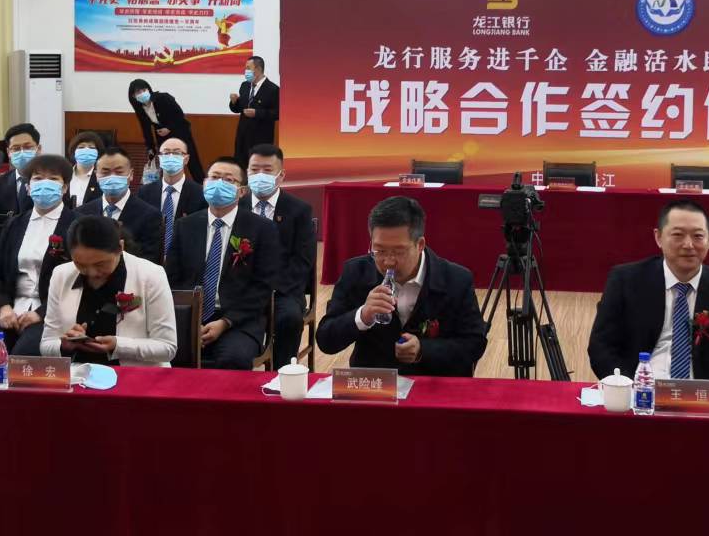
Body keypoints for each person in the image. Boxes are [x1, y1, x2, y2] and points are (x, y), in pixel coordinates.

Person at [588, 199, 709, 386]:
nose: (688, 244)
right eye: (677, 235)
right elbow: (601, 347)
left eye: (698, 236)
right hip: (639, 391)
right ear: (658, 237)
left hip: (701, 395)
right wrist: (628, 388)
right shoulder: (625, 281)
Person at [317, 195, 487, 377]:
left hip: (433, 381)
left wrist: (423, 350)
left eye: (398, 252)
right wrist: (362, 315)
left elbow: (475, 344)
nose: (388, 261)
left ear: (420, 244)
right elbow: (326, 340)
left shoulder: (456, 279)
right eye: (379, 251)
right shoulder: (356, 272)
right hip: (375, 383)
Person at [165, 157, 281, 370]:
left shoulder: (262, 229)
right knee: (167, 355)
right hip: (188, 316)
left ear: (242, 191)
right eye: (214, 177)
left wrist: (225, 322)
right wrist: (187, 318)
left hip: (239, 320)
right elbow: (171, 278)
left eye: (228, 180)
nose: (219, 184)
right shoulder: (185, 225)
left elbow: (263, 287)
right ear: (204, 184)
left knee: (233, 360)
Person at [38, 215, 177, 367]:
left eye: (100, 264)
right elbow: (46, 344)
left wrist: (119, 346)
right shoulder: (61, 275)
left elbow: (167, 347)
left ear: (120, 247)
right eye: (80, 264)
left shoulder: (150, 275)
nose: (91, 272)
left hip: (135, 374)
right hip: (79, 373)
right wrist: (64, 346)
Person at [0, 155, 77, 345]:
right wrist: (4, 307)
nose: (45, 183)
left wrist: (41, 313)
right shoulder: (15, 223)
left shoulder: (76, 225)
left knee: (24, 352)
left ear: (64, 188)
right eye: (38, 178)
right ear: (28, 188)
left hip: (53, 313)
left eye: (53, 179)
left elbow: (78, 279)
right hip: (11, 312)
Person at [245, 143, 317, 368]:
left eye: (267, 170)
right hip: (241, 288)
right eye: (254, 170)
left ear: (281, 175)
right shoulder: (236, 206)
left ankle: (282, 372)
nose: (260, 175)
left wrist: (271, 288)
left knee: (289, 318)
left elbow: (303, 260)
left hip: (283, 290)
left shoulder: (299, 210)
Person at [78, 146, 163, 264]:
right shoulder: (81, 214)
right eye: (105, 172)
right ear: (96, 175)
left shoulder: (150, 216)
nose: (112, 177)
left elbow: (149, 260)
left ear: (131, 174)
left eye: (119, 172)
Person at [137, 135, 206, 260]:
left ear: (186, 159)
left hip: (184, 258)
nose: (171, 156)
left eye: (176, 153)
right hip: (150, 257)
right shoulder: (145, 192)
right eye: (166, 153)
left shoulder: (200, 194)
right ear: (160, 158)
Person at [125, 79, 202, 184]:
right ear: (133, 96)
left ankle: (200, 186)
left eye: (144, 90)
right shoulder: (140, 108)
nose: (142, 93)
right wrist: (150, 147)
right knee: (168, 165)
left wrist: (169, 128)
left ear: (148, 89)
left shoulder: (163, 98)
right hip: (163, 137)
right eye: (138, 92)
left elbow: (180, 115)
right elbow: (145, 128)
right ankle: (171, 186)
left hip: (180, 132)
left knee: (192, 163)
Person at [228, 55, 280, 166]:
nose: (245, 71)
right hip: (242, 137)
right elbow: (238, 109)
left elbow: (277, 113)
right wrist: (234, 102)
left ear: (258, 69)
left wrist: (257, 113)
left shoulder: (273, 89)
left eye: (248, 68)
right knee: (240, 166)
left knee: (257, 167)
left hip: (261, 139)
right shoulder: (245, 86)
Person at [0, 123, 41, 216]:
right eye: (16, 149)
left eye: (27, 147)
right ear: (8, 152)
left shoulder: (51, 181)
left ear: (38, 149)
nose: (22, 153)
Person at [66, 130, 105, 208]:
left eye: (91, 147)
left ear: (98, 152)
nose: (86, 150)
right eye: (81, 147)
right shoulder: (64, 175)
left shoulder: (102, 177)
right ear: (74, 151)